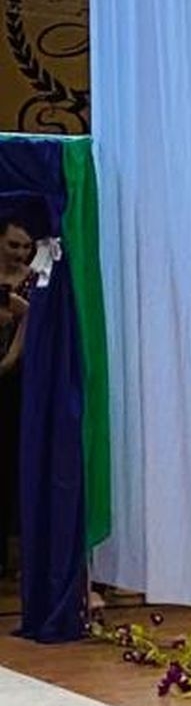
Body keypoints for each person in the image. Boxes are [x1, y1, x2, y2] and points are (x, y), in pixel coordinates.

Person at [0, 219, 33, 579]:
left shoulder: (33, 280)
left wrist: (11, 358)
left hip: (13, 381)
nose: (20, 253)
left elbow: (32, 320)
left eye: (25, 247)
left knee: (10, 459)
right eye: (13, 245)